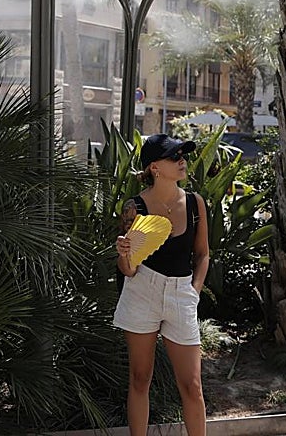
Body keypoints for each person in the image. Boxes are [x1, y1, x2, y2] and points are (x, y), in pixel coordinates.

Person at [113, 134, 209, 436]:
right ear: (154, 167)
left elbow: (203, 254)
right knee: (140, 378)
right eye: (174, 156)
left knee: (192, 385)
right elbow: (127, 271)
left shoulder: (195, 203)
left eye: (183, 154)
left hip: (182, 292)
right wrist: (124, 254)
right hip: (142, 290)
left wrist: (193, 292)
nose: (182, 160)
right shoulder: (135, 208)